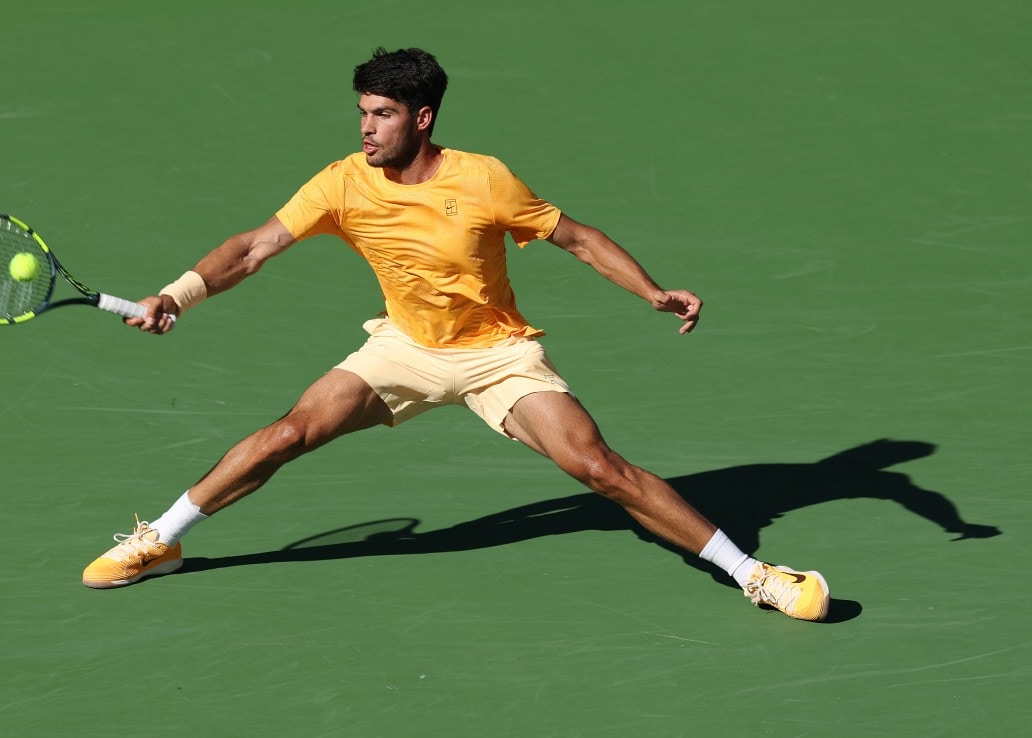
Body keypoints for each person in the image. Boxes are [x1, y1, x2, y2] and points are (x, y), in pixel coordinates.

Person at [81, 47, 831, 621]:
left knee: (598, 467)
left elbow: (576, 237)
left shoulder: (483, 179)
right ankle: (162, 538)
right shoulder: (342, 181)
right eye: (362, 112)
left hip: (497, 356)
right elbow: (253, 247)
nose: (366, 128)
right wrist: (176, 295)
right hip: (402, 348)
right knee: (288, 434)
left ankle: (754, 575)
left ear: (423, 118)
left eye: (381, 114)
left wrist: (651, 291)